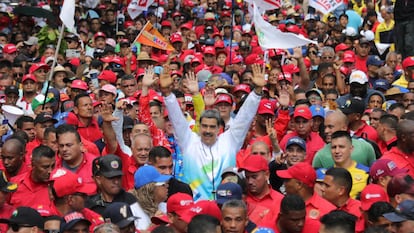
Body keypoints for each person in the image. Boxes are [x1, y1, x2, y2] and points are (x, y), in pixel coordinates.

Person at [160, 64, 265, 200]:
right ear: (200, 126)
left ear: (218, 128)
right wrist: (167, 94)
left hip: (225, 206)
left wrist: (257, 92)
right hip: (195, 209)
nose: (208, 131)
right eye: (204, 126)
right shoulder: (189, 141)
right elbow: (177, 119)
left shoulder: (229, 141)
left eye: (212, 127)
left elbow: (244, 118)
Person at [277, 162, 335, 233]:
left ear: (299, 184)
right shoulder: (279, 204)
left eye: (287, 180)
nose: (284, 184)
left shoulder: (329, 211)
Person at [239, 155, 283, 227]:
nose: (250, 181)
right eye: (247, 177)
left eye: (254, 177)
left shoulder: (280, 201)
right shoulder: (240, 199)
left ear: (267, 175)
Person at [55, 124, 97, 194]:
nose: (64, 149)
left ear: (81, 146)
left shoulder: (95, 164)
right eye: (61, 146)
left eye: (69, 145)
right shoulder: (54, 166)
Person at [321, 168, 364, 232]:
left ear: (341, 190)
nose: (322, 189)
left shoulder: (358, 209)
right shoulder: (320, 206)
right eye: (322, 184)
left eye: (327, 186)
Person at [130, 165, 171, 230]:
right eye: (163, 184)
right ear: (150, 188)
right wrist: (154, 225)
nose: (167, 186)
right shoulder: (132, 210)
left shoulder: (166, 207)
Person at [330, 131, 369, 199]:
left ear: (351, 149)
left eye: (341, 147)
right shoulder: (326, 174)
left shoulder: (366, 173)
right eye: (334, 147)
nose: (337, 151)